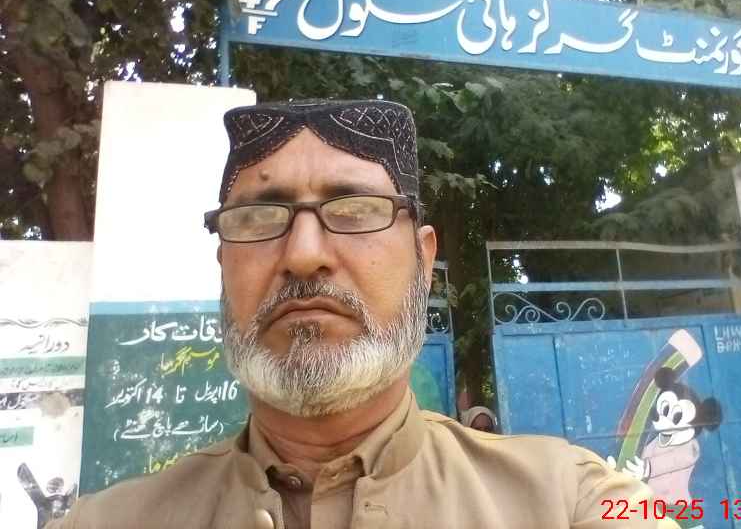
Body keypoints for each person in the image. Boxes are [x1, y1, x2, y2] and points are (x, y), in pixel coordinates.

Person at [48, 99, 678, 528]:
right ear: (223, 266)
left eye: (353, 210)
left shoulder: (573, 500)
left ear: (423, 260)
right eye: (260, 219)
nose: (303, 255)